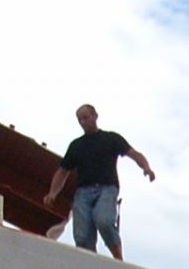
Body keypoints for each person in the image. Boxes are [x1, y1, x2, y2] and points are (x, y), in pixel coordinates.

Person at [44, 104, 154, 260]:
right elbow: (62, 172)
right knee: (82, 236)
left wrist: (146, 168)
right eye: (80, 119)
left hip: (106, 188)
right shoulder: (77, 145)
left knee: (103, 220)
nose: (83, 122)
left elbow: (134, 154)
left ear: (95, 116)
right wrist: (52, 193)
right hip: (83, 192)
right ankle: (90, 264)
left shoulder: (111, 139)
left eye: (86, 117)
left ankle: (118, 257)